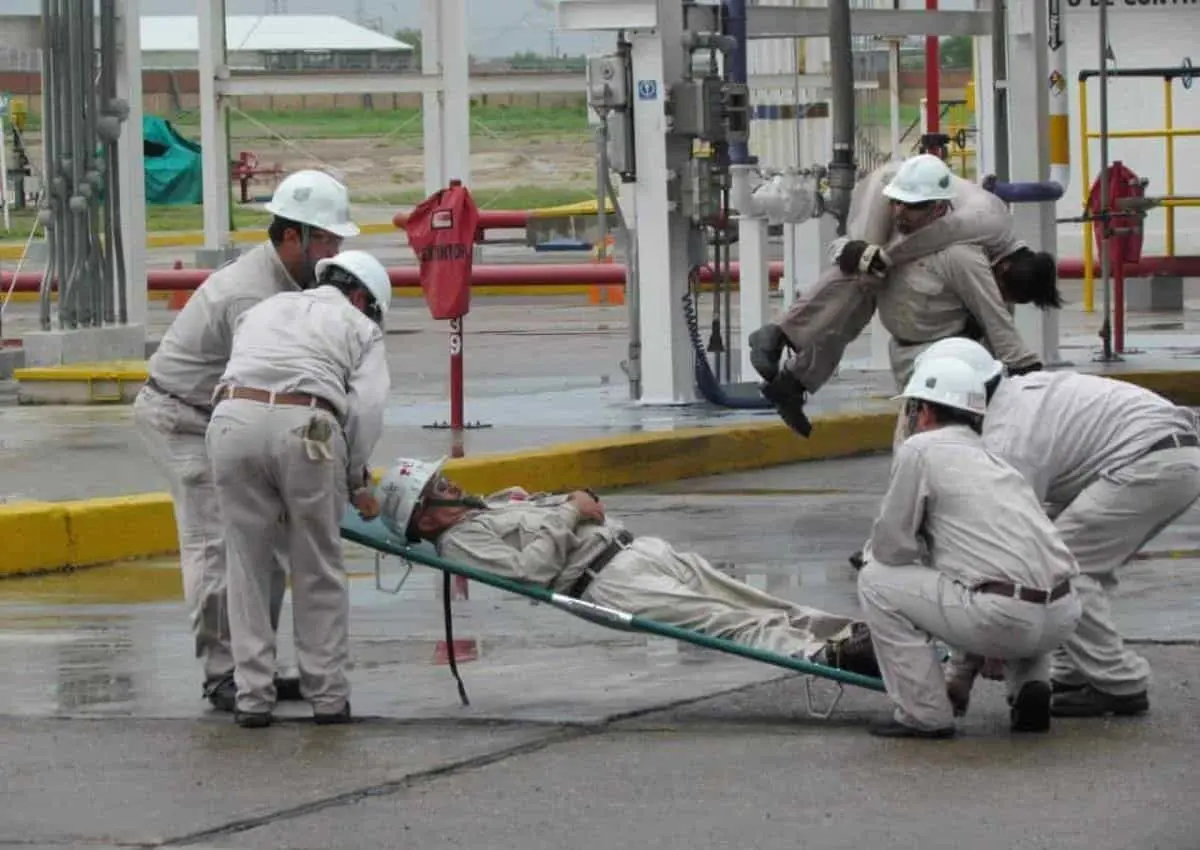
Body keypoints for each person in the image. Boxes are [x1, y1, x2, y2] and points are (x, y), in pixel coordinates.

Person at [131, 169, 360, 714]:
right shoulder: (250, 295)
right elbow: (262, 390)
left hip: (230, 421)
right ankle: (222, 674)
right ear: (290, 236)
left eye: (336, 240)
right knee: (219, 550)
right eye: (325, 240)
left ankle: (252, 668)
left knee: (263, 553)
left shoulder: (296, 285)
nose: (334, 251)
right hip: (184, 418)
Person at [375, 458, 881, 678]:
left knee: (754, 602)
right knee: (724, 621)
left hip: (632, 551)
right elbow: (530, 573)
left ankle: (855, 639)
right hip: (607, 582)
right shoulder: (460, 542)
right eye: (439, 487)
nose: (451, 485)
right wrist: (571, 512)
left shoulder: (482, 508)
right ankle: (827, 655)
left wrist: (562, 506)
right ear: (423, 516)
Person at [910, 336, 1200, 718]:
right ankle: (1074, 673)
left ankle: (1120, 684)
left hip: (1149, 462)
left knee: (1063, 569)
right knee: (1075, 562)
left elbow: (999, 556)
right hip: (1165, 456)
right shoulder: (1015, 398)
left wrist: (963, 669)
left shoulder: (1006, 439)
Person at [206, 249, 392, 728]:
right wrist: (356, 480)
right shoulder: (360, 327)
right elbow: (365, 410)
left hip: (231, 421)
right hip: (306, 426)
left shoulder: (263, 308)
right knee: (317, 565)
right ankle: (327, 696)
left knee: (246, 565)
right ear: (360, 296)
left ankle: (252, 696)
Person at [856, 356, 1081, 739]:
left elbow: (892, 548)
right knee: (1009, 579)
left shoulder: (920, 449)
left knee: (875, 580)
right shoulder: (997, 459)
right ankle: (1030, 682)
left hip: (1003, 618)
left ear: (924, 410)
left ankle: (923, 713)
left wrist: (890, 555)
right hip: (1061, 616)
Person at [749, 154, 1046, 440]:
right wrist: (855, 252)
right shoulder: (901, 213)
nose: (900, 213)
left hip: (938, 357)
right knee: (859, 283)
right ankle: (783, 346)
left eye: (912, 207)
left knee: (863, 277)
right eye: (897, 204)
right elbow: (848, 253)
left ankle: (789, 366)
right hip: (909, 351)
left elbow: (994, 317)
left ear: (938, 208)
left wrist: (1026, 376)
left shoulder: (966, 245)